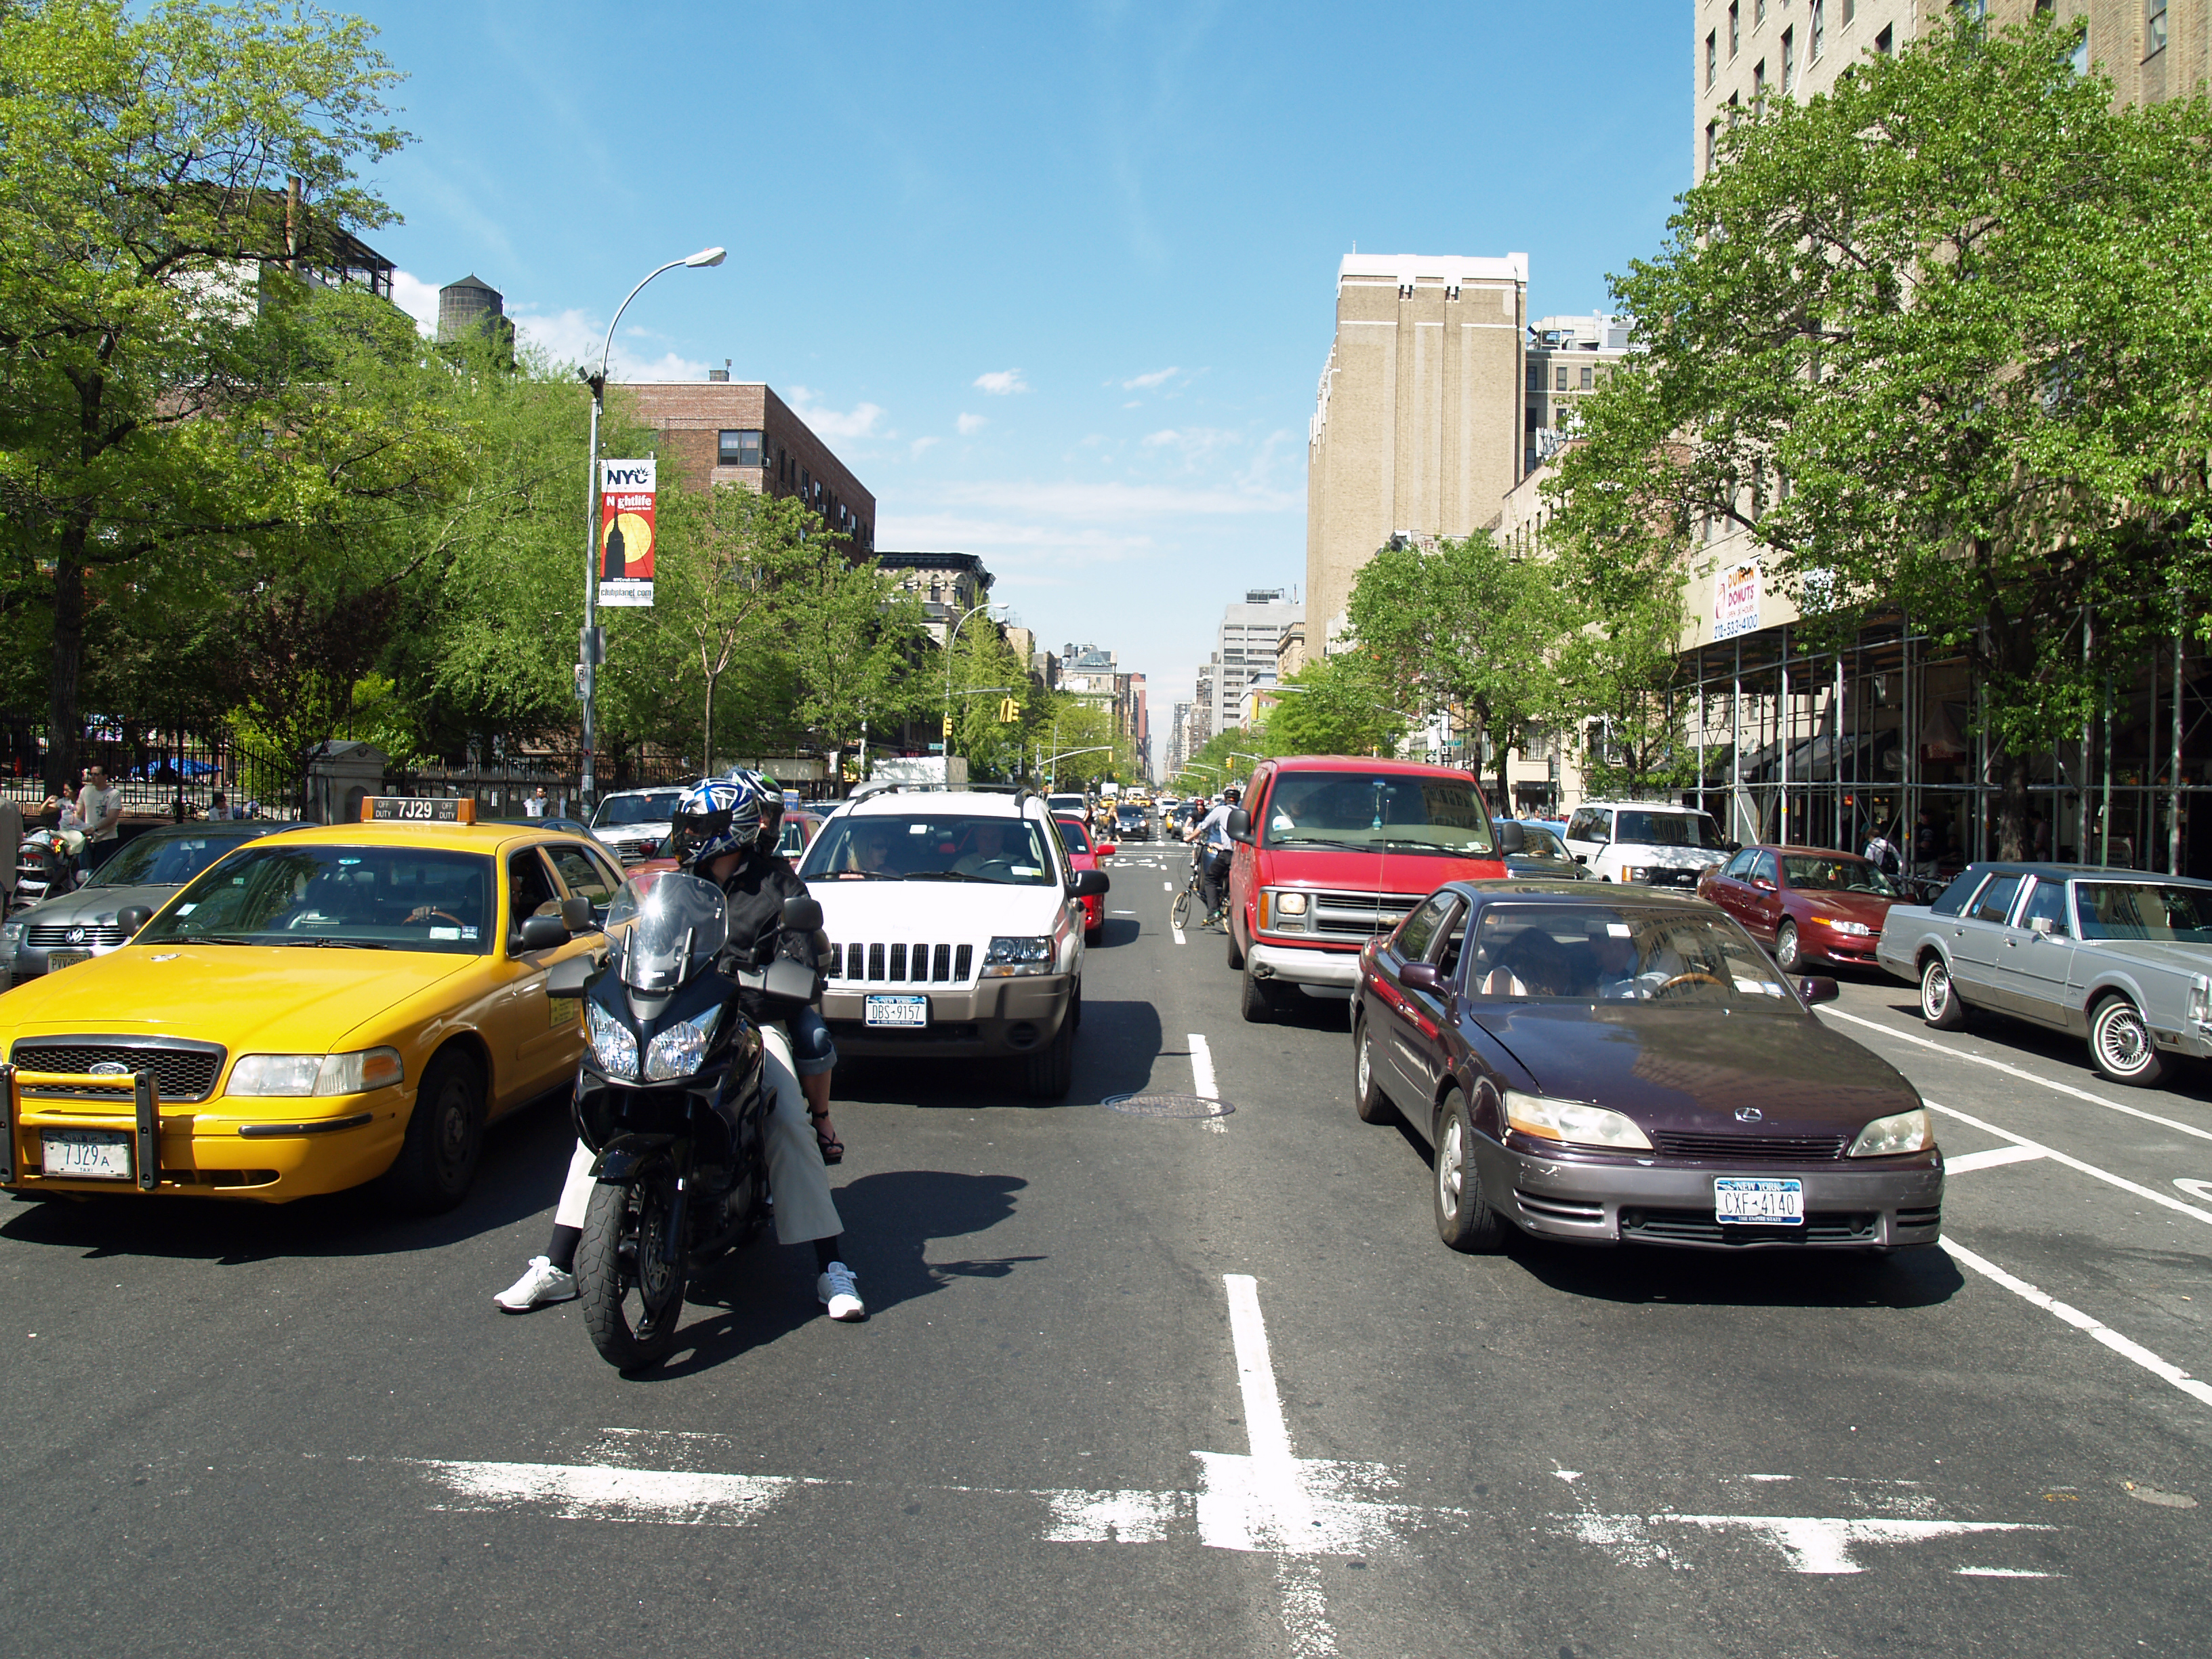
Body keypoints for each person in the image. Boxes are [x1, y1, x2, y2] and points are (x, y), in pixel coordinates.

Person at [496, 775, 863, 1321]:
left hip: (748, 1022)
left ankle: (830, 1266)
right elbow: (640, 937)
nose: (687, 835)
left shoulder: (779, 885)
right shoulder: (674, 885)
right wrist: (612, 960)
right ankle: (558, 1262)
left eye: (698, 826)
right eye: (686, 825)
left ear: (730, 830)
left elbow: (802, 951)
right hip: (679, 1022)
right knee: (599, 1120)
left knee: (787, 1115)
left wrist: (780, 973)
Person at [1183, 785, 1241, 928]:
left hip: (1227, 854)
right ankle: (1227, 899)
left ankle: (1213, 912)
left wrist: (1189, 838)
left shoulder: (1221, 810)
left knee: (1211, 879)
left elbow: (1203, 826)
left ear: (1225, 799)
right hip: (1241, 856)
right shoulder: (1244, 813)